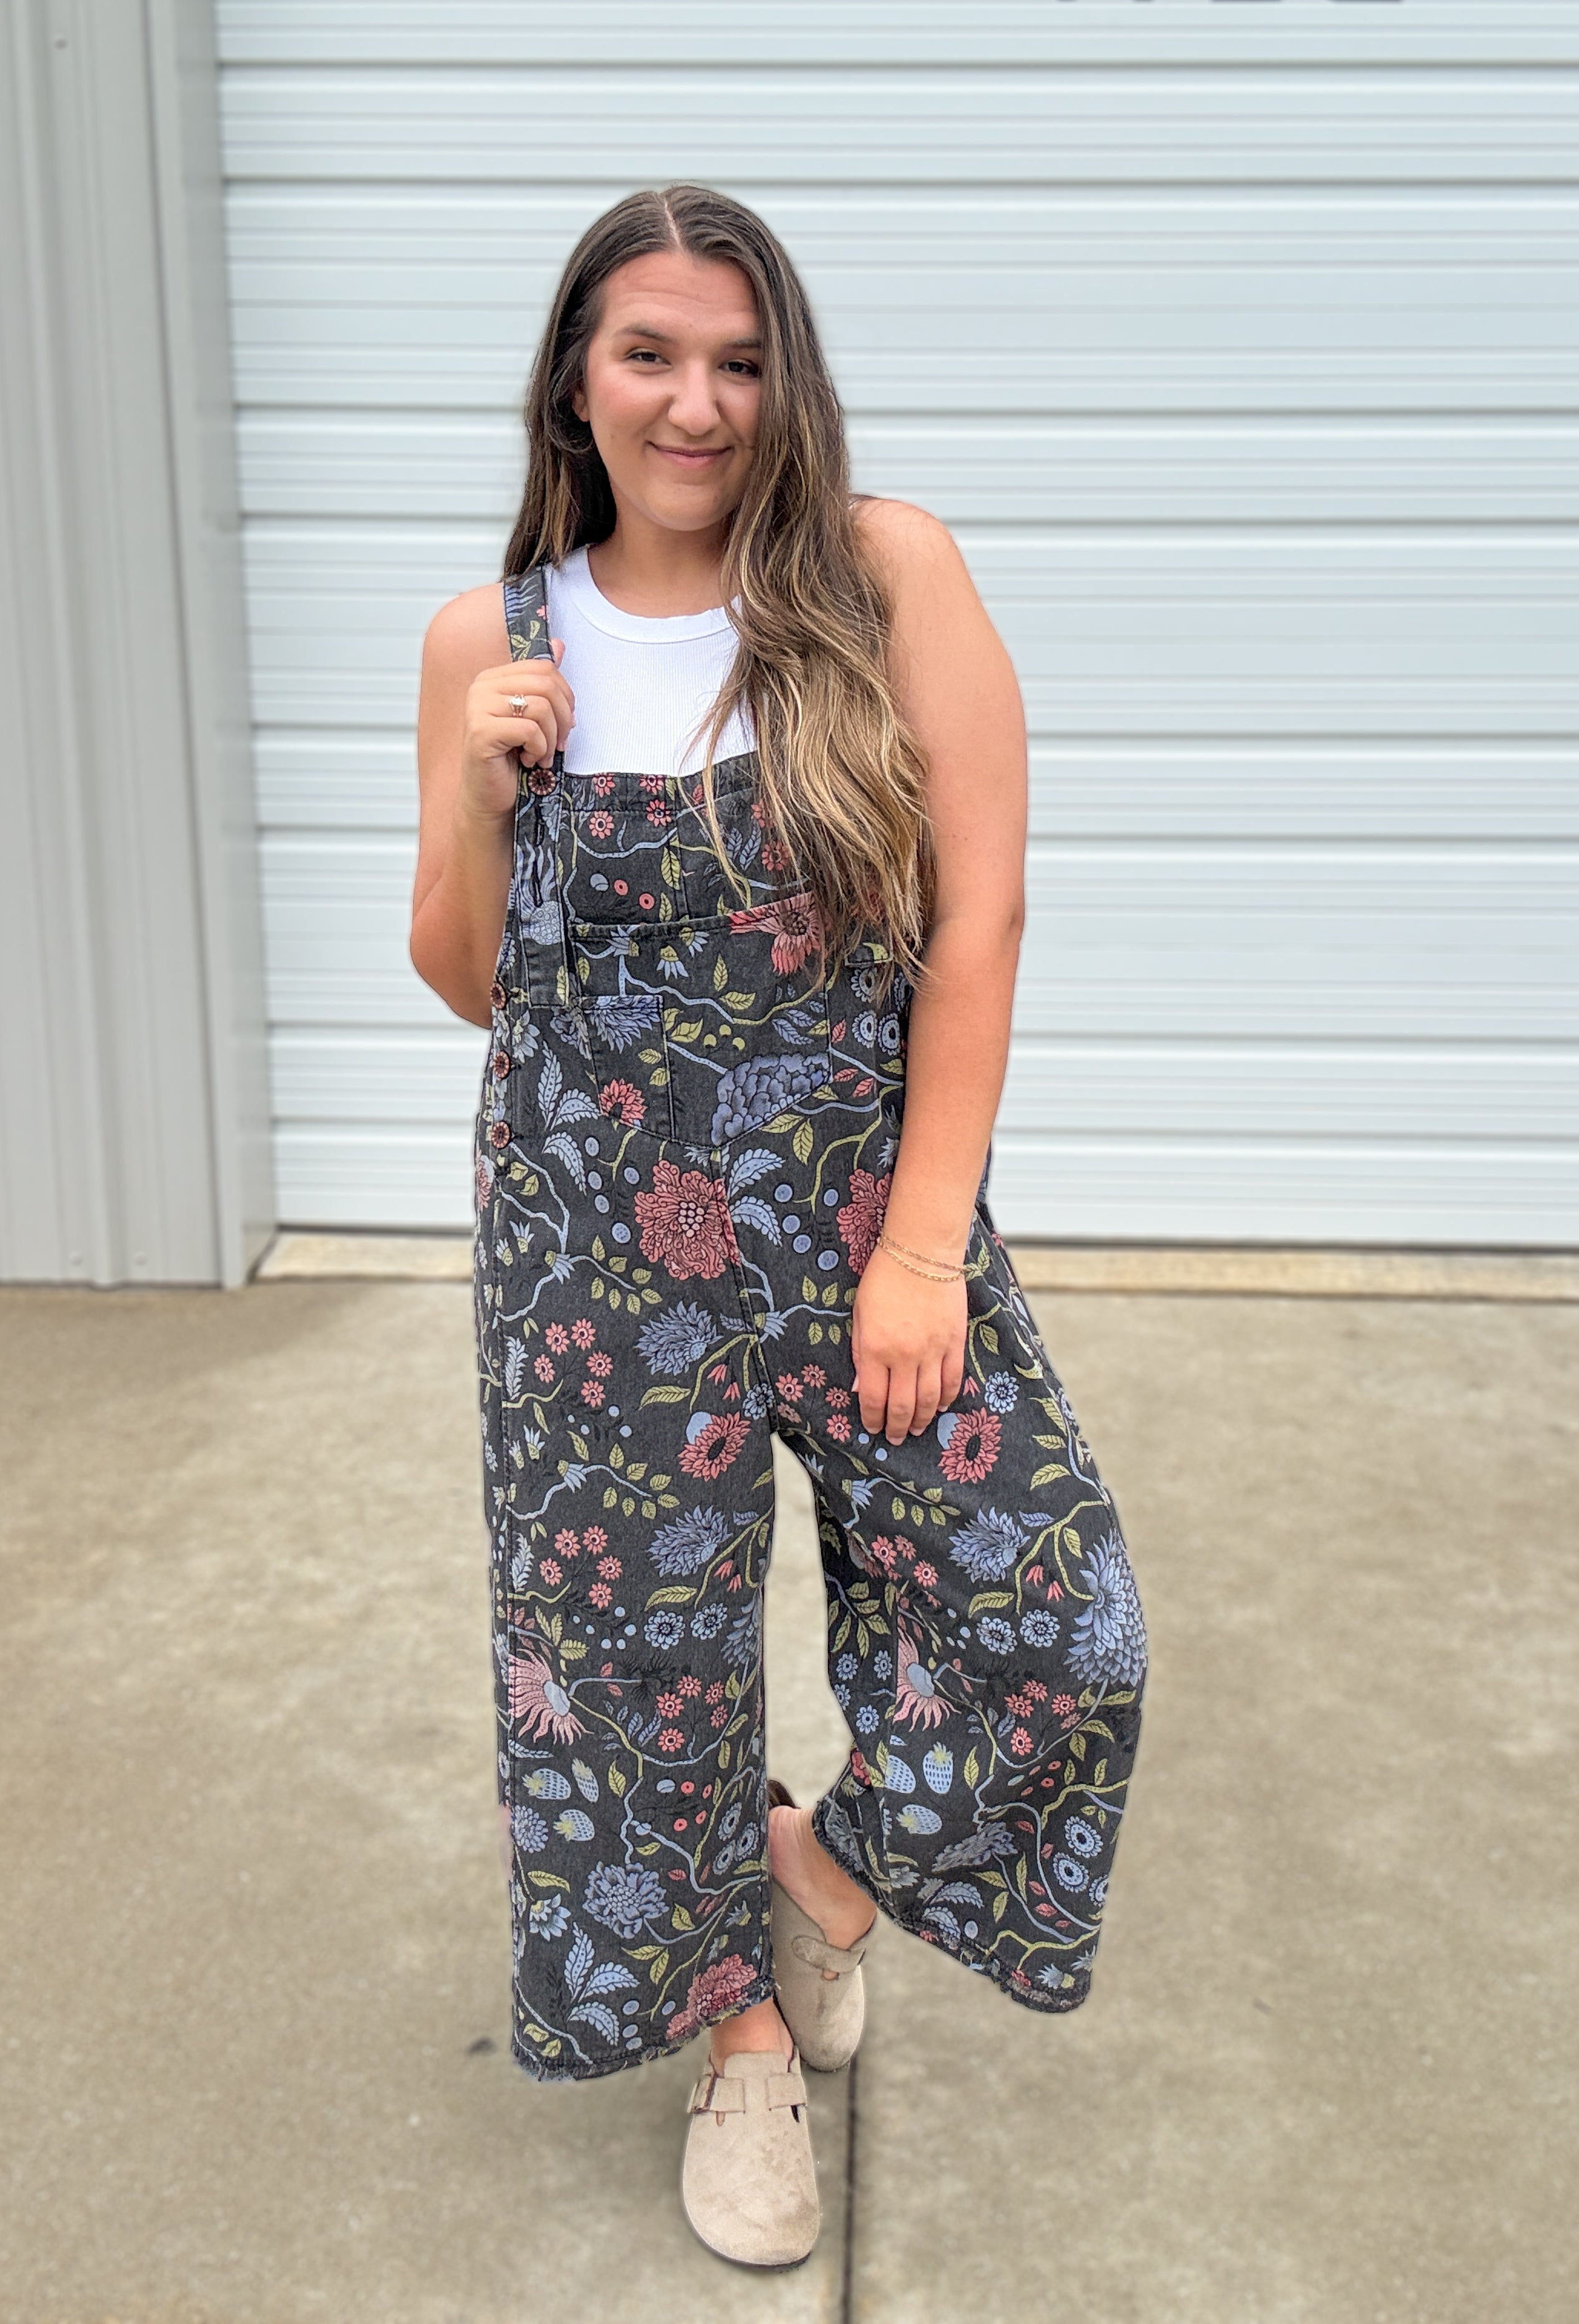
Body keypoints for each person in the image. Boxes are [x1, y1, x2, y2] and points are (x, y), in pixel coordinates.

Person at [409, 186, 1147, 2268]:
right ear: (577, 378)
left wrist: (923, 1248)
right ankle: (738, 2042)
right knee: (630, 1674)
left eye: (740, 362)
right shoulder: (494, 638)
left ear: (786, 384)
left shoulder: (881, 575)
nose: (697, 403)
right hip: (588, 1250)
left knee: (1054, 1623)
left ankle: (810, 1889)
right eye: (650, 354)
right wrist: (475, 789)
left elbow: (980, 920)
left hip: (852, 1211)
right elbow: (469, 977)